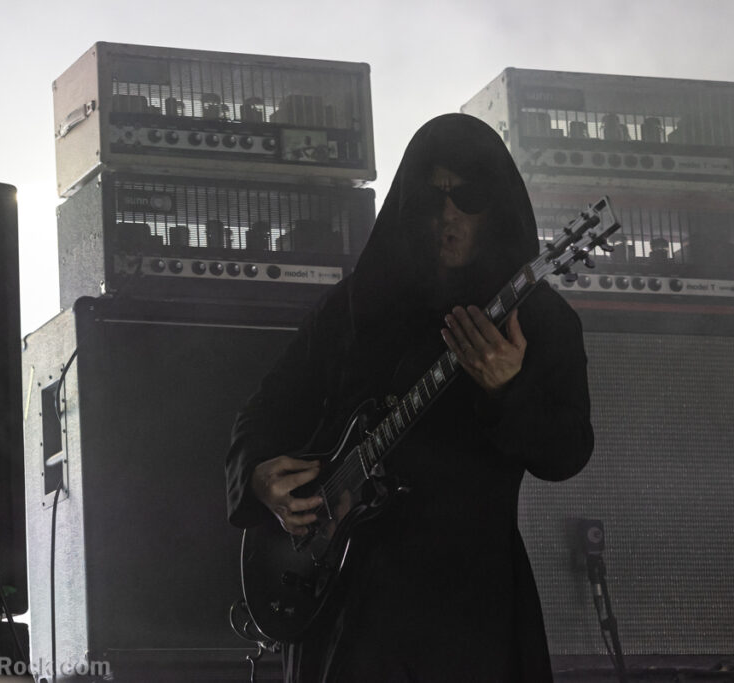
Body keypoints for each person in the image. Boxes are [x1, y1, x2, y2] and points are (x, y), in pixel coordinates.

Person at [225, 113, 594, 682]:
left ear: (496, 207)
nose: (447, 214)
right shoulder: (353, 306)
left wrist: (508, 391)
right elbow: (264, 411)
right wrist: (256, 478)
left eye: (468, 197)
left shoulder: (538, 320)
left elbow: (568, 451)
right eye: (431, 196)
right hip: (342, 605)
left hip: (470, 612)